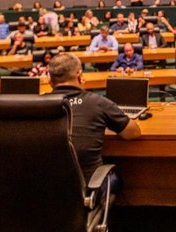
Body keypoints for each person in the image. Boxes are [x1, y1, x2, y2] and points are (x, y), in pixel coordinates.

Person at [48, 53, 140, 186]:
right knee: (116, 178)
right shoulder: (97, 102)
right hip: (88, 190)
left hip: (44, 191)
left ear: (50, 81)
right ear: (80, 76)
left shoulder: (36, 106)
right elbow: (133, 132)